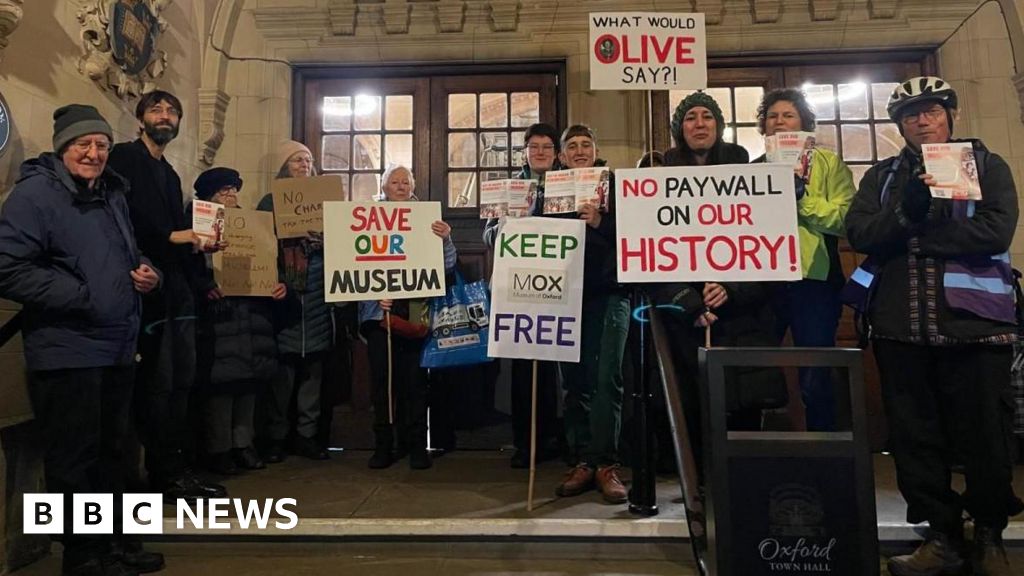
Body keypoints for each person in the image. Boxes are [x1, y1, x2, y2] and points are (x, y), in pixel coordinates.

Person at [846, 76, 1020, 576]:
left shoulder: (988, 166)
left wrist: (917, 238)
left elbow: (995, 230)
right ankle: (941, 537)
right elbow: (861, 232)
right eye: (911, 114)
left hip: (976, 326)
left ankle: (989, 534)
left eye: (932, 111)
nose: (922, 121)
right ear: (899, 124)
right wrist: (906, 213)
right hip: (901, 327)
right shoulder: (881, 176)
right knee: (914, 439)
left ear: (950, 116)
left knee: (986, 436)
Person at [0, 104, 164, 575]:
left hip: (116, 343)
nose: (93, 154)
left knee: (118, 451)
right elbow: (7, 267)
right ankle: (82, 555)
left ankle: (122, 544)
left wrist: (148, 273)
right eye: (83, 145)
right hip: (67, 348)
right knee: (74, 459)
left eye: (102, 146)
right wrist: (81, 294)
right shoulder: (35, 196)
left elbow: (125, 254)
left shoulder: (112, 193)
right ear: (63, 147)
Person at [107, 90, 227, 502]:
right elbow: (123, 217)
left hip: (177, 288)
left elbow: (179, 229)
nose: (165, 116)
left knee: (181, 381)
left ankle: (173, 471)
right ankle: (158, 475)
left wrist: (199, 244)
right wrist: (174, 237)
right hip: (147, 286)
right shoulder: (123, 157)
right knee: (156, 385)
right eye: (156, 109)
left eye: (172, 111)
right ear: (140, 119)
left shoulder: (172, 174)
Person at [754, 88, 856, 431]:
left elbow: (845, 220)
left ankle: (824, 453)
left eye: (788, 115)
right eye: (772, 116)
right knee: (756, 372)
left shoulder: (829, 164)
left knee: (816, 377)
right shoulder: (752, 168)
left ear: (804, 123)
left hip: (814, 283)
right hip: (762, 282)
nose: (779, 122)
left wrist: (801, 199)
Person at [547, 125, 631, 504]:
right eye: (572, 146)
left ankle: (606, 464)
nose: (579, 151)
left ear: (596, 150)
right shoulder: (551, 190)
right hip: (564, 296)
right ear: (562, 156)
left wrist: (600, 222)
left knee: (606, 378)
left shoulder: (617, 189)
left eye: (586, 145)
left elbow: (637, 235)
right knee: (575, 381)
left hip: (610, 294)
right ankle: (582, 459)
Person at [358, 164, 457, 469]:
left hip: (415, 314)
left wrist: (446, 239)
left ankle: (416, 445)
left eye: (406, 182)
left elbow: (448, 265)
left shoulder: (427, 220)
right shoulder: (366, 221)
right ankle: (384, 445)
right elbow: (353, 266)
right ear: (384, 187)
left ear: (412, 188)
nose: (400, 187)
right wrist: (375, 296)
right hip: (380, 316)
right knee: (382, 385)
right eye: (395, 182)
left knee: (415, 385)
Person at [191, 168, 287, 475]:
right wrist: (205, 286)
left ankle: (243, 445)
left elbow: (268, 263)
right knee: (221, 390)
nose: (230, 196)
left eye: (233, 190)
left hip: (251, 314)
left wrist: (277, 284)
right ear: (208, 196)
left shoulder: (252, 226)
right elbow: (190, 267)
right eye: (223, 191)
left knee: (248, 385)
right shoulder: (195, 226)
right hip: (220, 317)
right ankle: (219, 449)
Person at [482, 123, 562, 468]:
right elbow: (488, 236)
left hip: (558, 287)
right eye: (535, 146)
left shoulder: (568, 183)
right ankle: (524, 442)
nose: (541, 152)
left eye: (547, 146)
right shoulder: (509, 187)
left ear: (555, 153)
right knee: (520, 369)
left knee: (554, 368)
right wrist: (503, 224)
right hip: (517, 287)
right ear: (525, 151)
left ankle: (553, 438)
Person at [257, 140, 333, 461]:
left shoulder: (327, 202)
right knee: (282, 377)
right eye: (298, 160)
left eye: (309, 160)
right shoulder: (270, 202)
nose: (304, 165)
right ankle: (275, 438)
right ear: (285, 166)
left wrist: (323, 239)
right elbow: (258, 243)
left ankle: (307, 436)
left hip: (317, 295)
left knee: (312, 376)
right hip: (285, 296)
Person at [664, 91, 749, 166]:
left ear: (718, 126)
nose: (700, 124)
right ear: (680, 128)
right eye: (691, 118)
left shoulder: (738, 157)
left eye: (707, 117)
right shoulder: (669, 161)